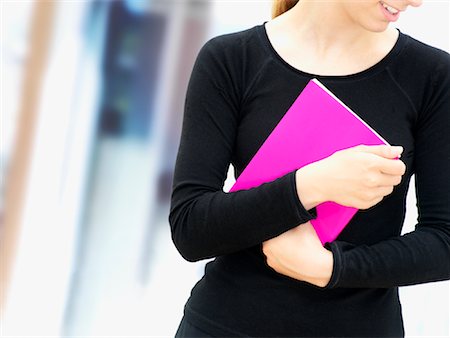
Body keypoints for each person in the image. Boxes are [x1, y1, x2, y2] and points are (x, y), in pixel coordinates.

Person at [169, 0, 450, 336]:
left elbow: (443, 241)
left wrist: (331, 268)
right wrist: (312, 184)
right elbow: (190, 229)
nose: (416, 1)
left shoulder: (432, 75)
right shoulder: (231, 59)